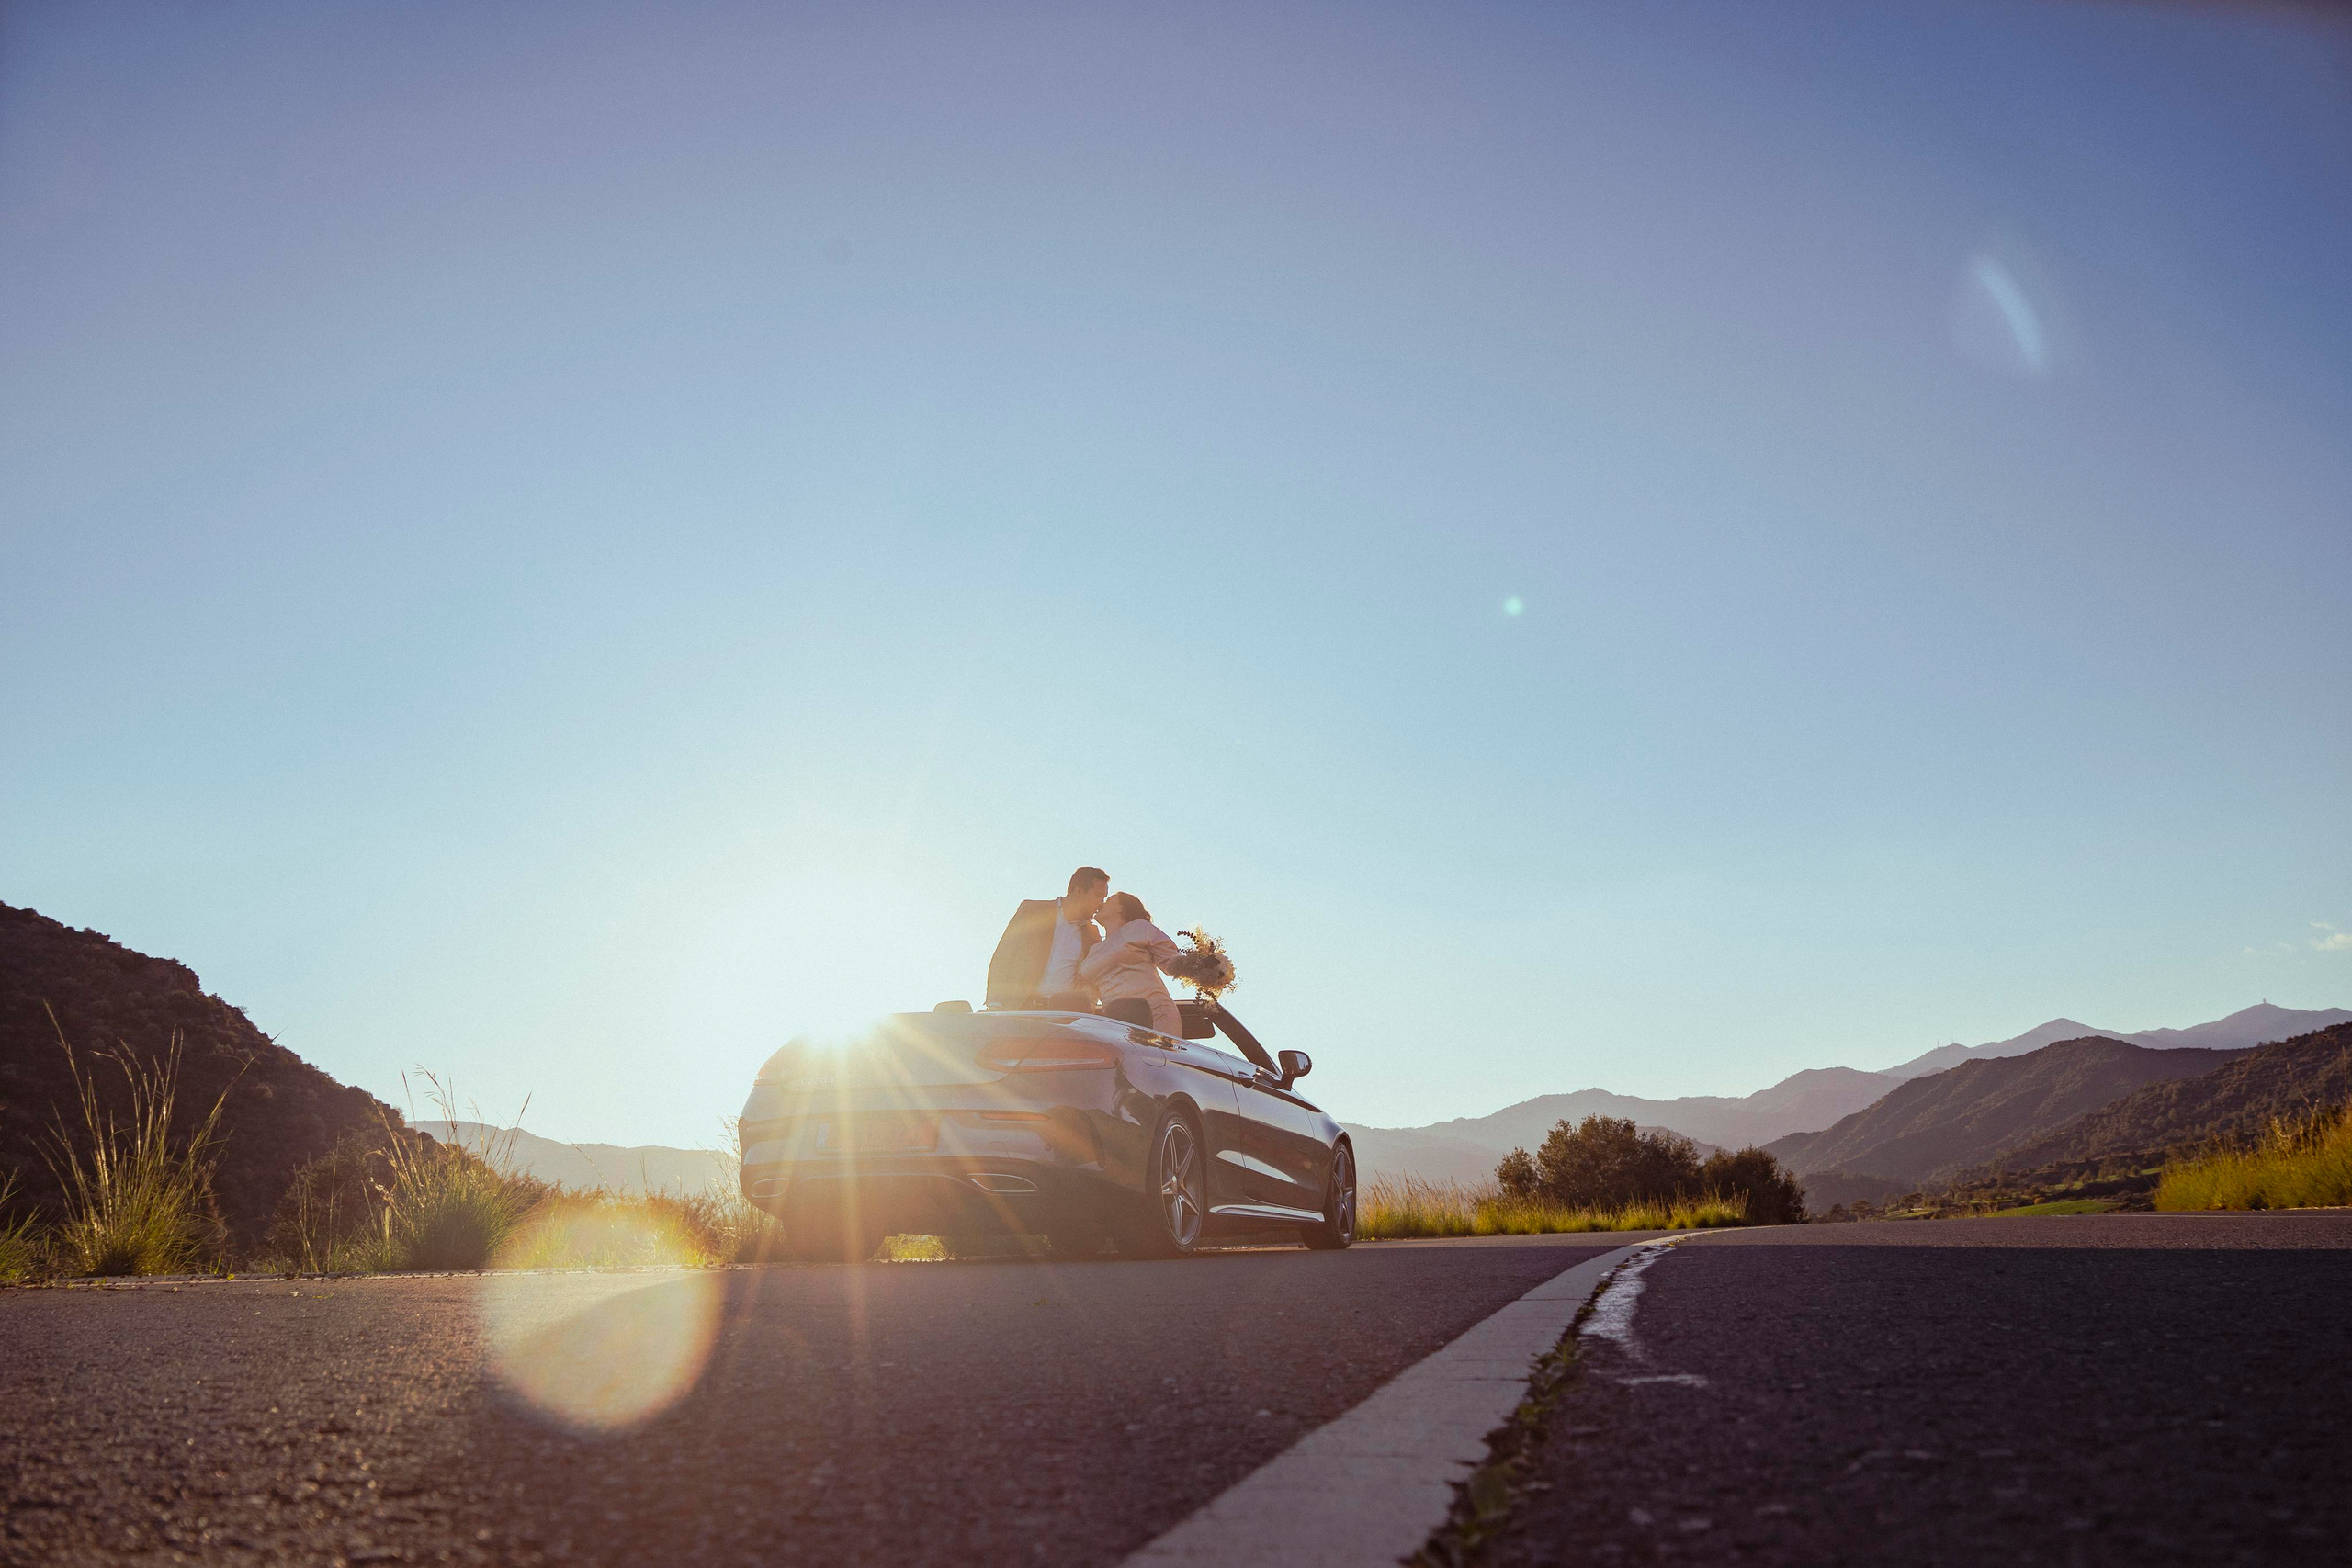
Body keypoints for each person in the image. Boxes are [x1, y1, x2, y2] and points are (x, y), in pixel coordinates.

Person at [986, 866, 1109, 1010]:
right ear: (1079, 891)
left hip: (1062, 1015)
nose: (1101, 903)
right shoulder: (1033, 911)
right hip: (1019, 1009)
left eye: (1104, 898)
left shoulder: (1092, 934)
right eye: (1098, 896)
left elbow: (1090, 977)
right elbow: (1004, 955)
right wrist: (994, 1001)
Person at [1079, 892, 1184, 1037]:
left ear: (1120, 908)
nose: (1101, 903)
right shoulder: (1094, 950)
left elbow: (1173, 962)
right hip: (1115, 1022)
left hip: (1155, 1015)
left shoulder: (1138, 928)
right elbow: (1089, 996)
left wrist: (1205, 968)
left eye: (1108, 900)